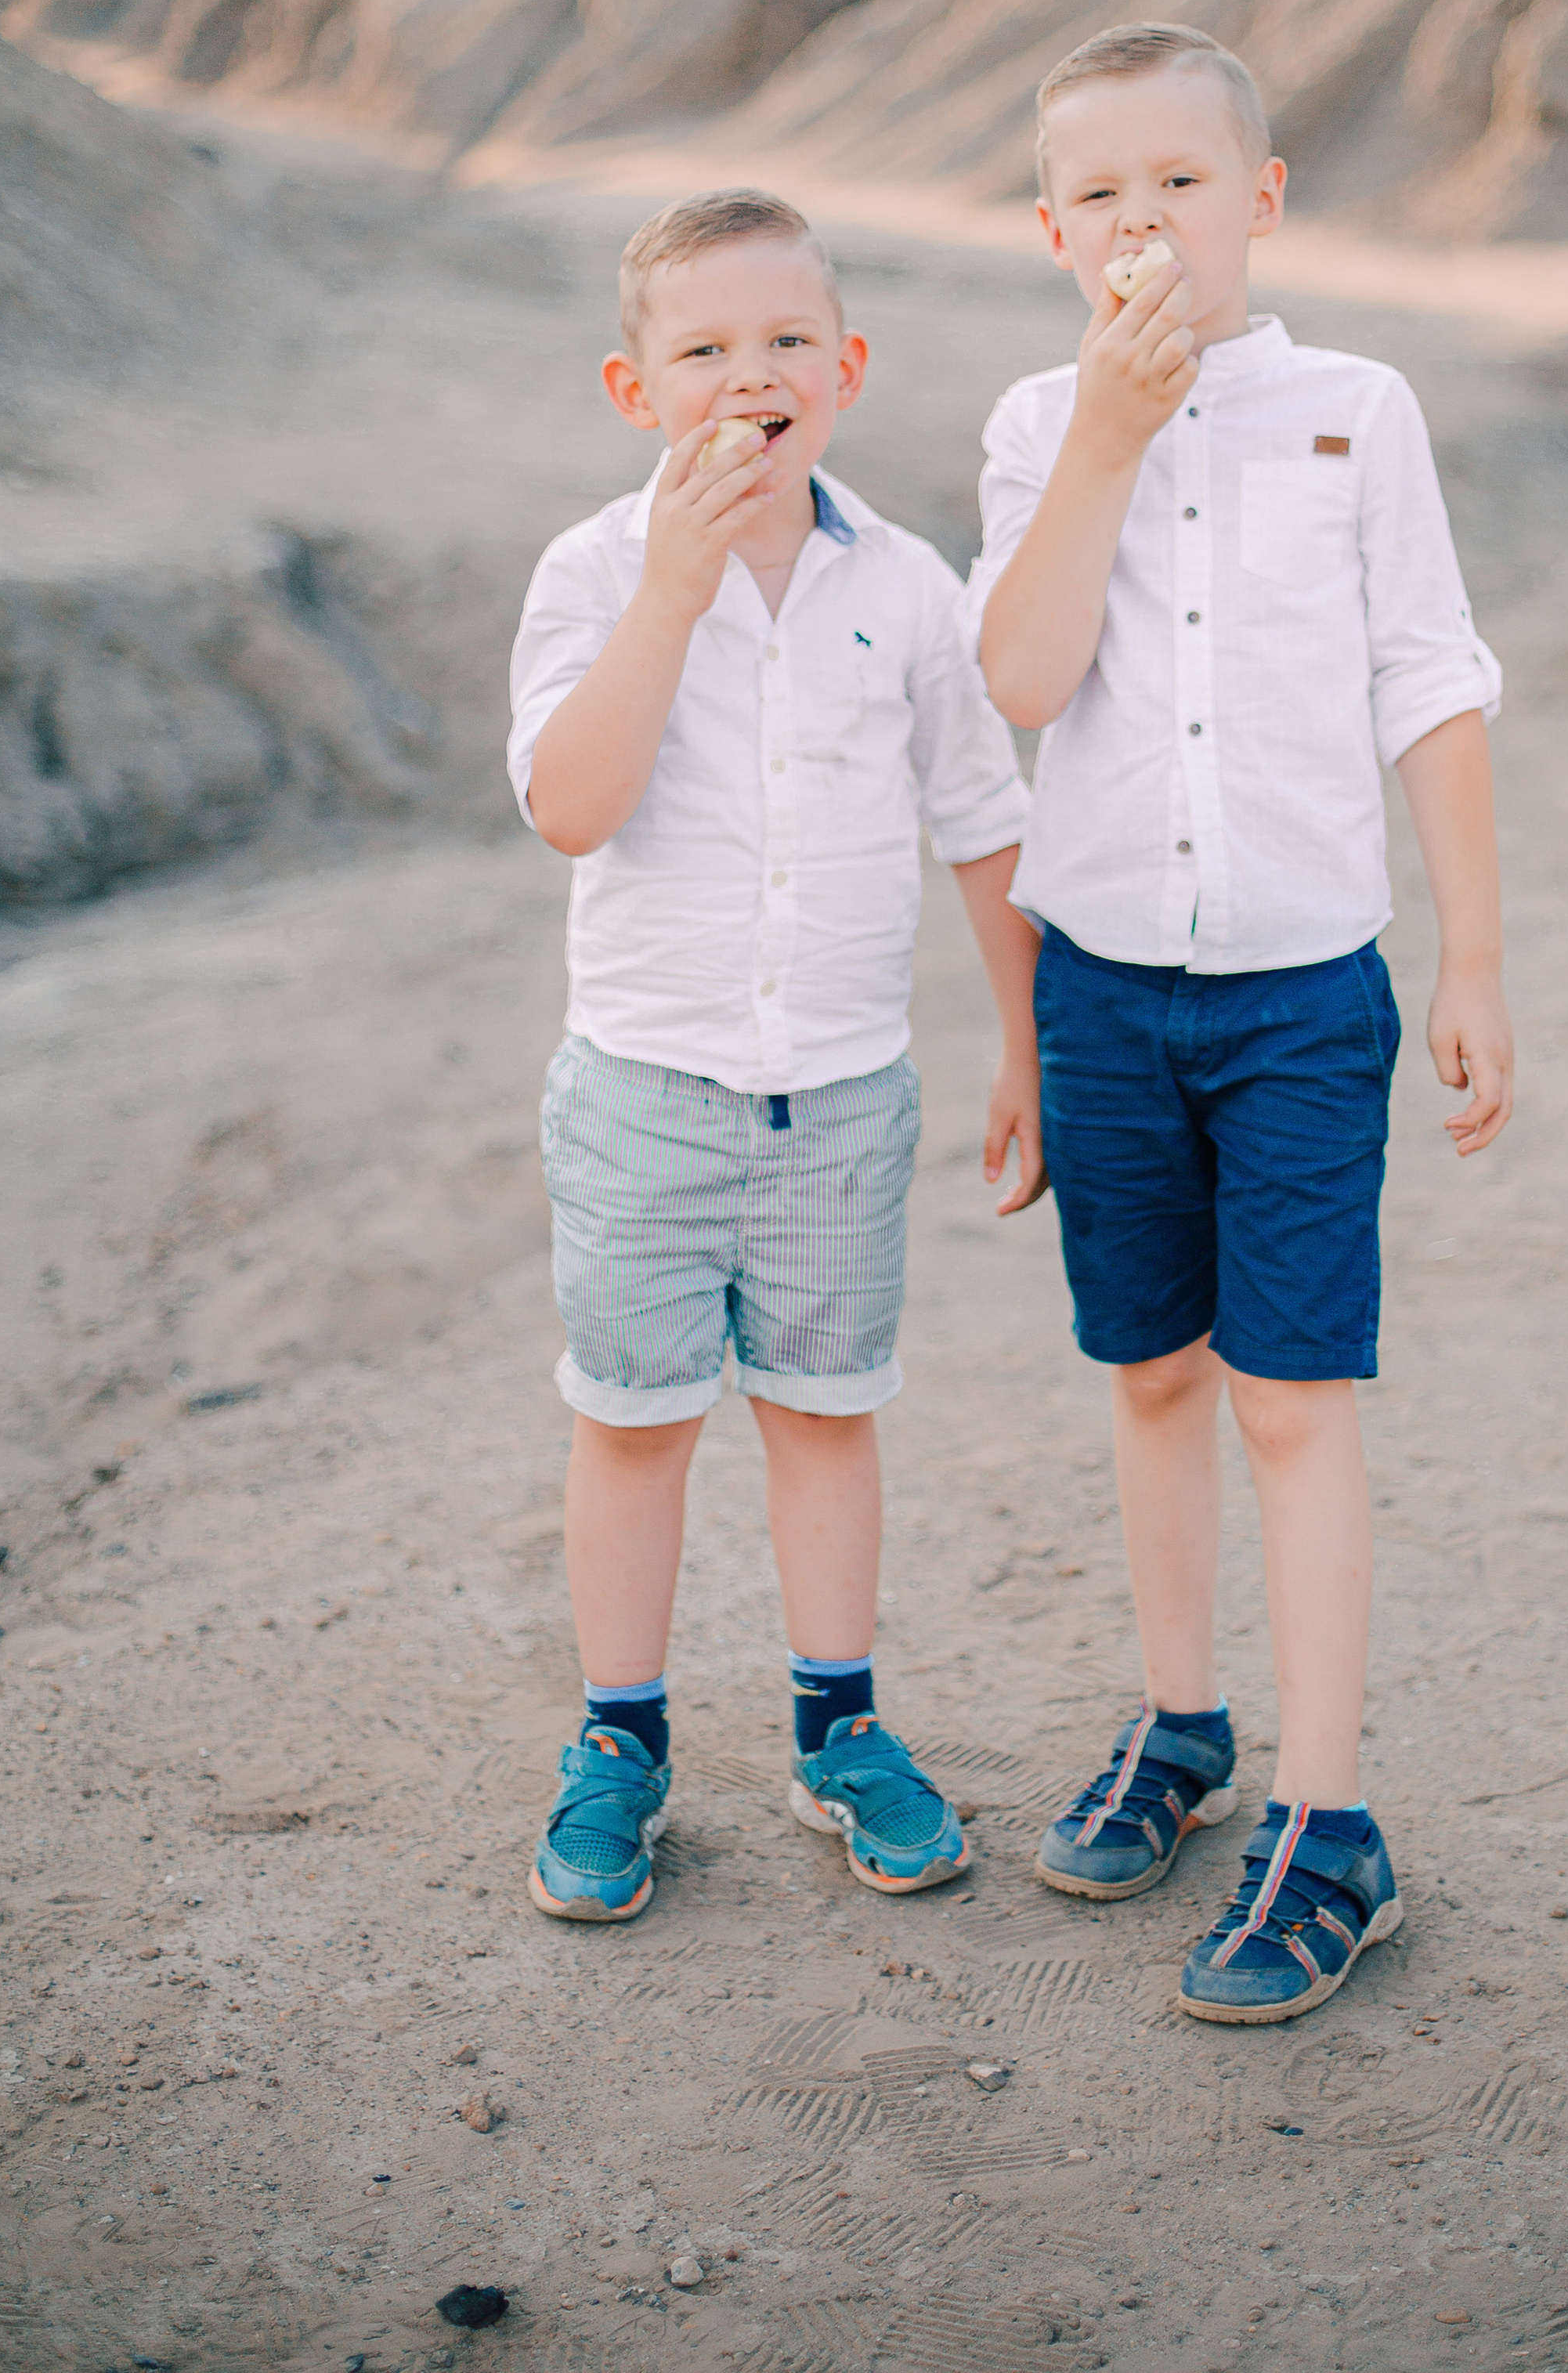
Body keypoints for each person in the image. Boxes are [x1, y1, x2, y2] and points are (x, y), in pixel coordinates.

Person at [969, 23, 1512, 2024]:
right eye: (1099, 195)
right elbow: (1019, 683)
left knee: (1293, 1396)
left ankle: (1331, 1819)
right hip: (1103, 978)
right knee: (1149, 1376)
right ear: (1050, 234)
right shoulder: (1039, 426)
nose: (1143, 223)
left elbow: (1425, 676)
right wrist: (1110, 435)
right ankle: (1179, 1726)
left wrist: (1467, 957)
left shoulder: (1357, 409)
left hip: (1298, 989)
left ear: (1258, 198)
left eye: (1178, 184)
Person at [507, 187, 1044, 1923]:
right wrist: (672, 588)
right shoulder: (593, 574)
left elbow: (979, 821)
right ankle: (618, 1744)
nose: (751, 377)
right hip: (645, 1093)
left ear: (848, 367)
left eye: (786, 342)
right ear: (632, 387)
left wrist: (1026, 1048)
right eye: (705, 350)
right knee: (637, 1426)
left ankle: (837, 1724)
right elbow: (571, 805)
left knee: (823, 1417)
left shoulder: (907, 586)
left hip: (841, 1096)